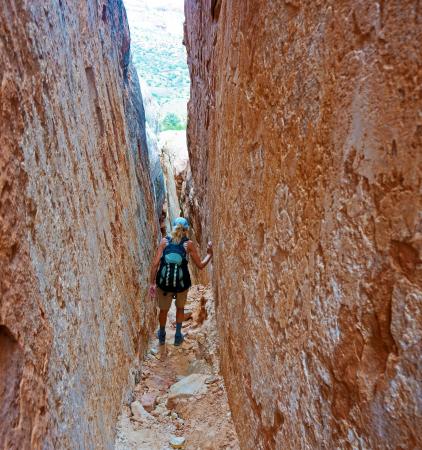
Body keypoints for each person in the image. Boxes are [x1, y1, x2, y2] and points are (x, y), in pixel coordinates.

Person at [149, 217, 213, 346]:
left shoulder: (164, 242)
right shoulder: (188, 244)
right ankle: (178, 336)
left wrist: (152, 283)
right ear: (186, 230)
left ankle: (162, 335)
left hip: (164, 284)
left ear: (173, 227)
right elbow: (200, 265)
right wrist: (210, 254)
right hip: (181, 283)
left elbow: (156, 264)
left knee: (163, 310)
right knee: (180, 308)